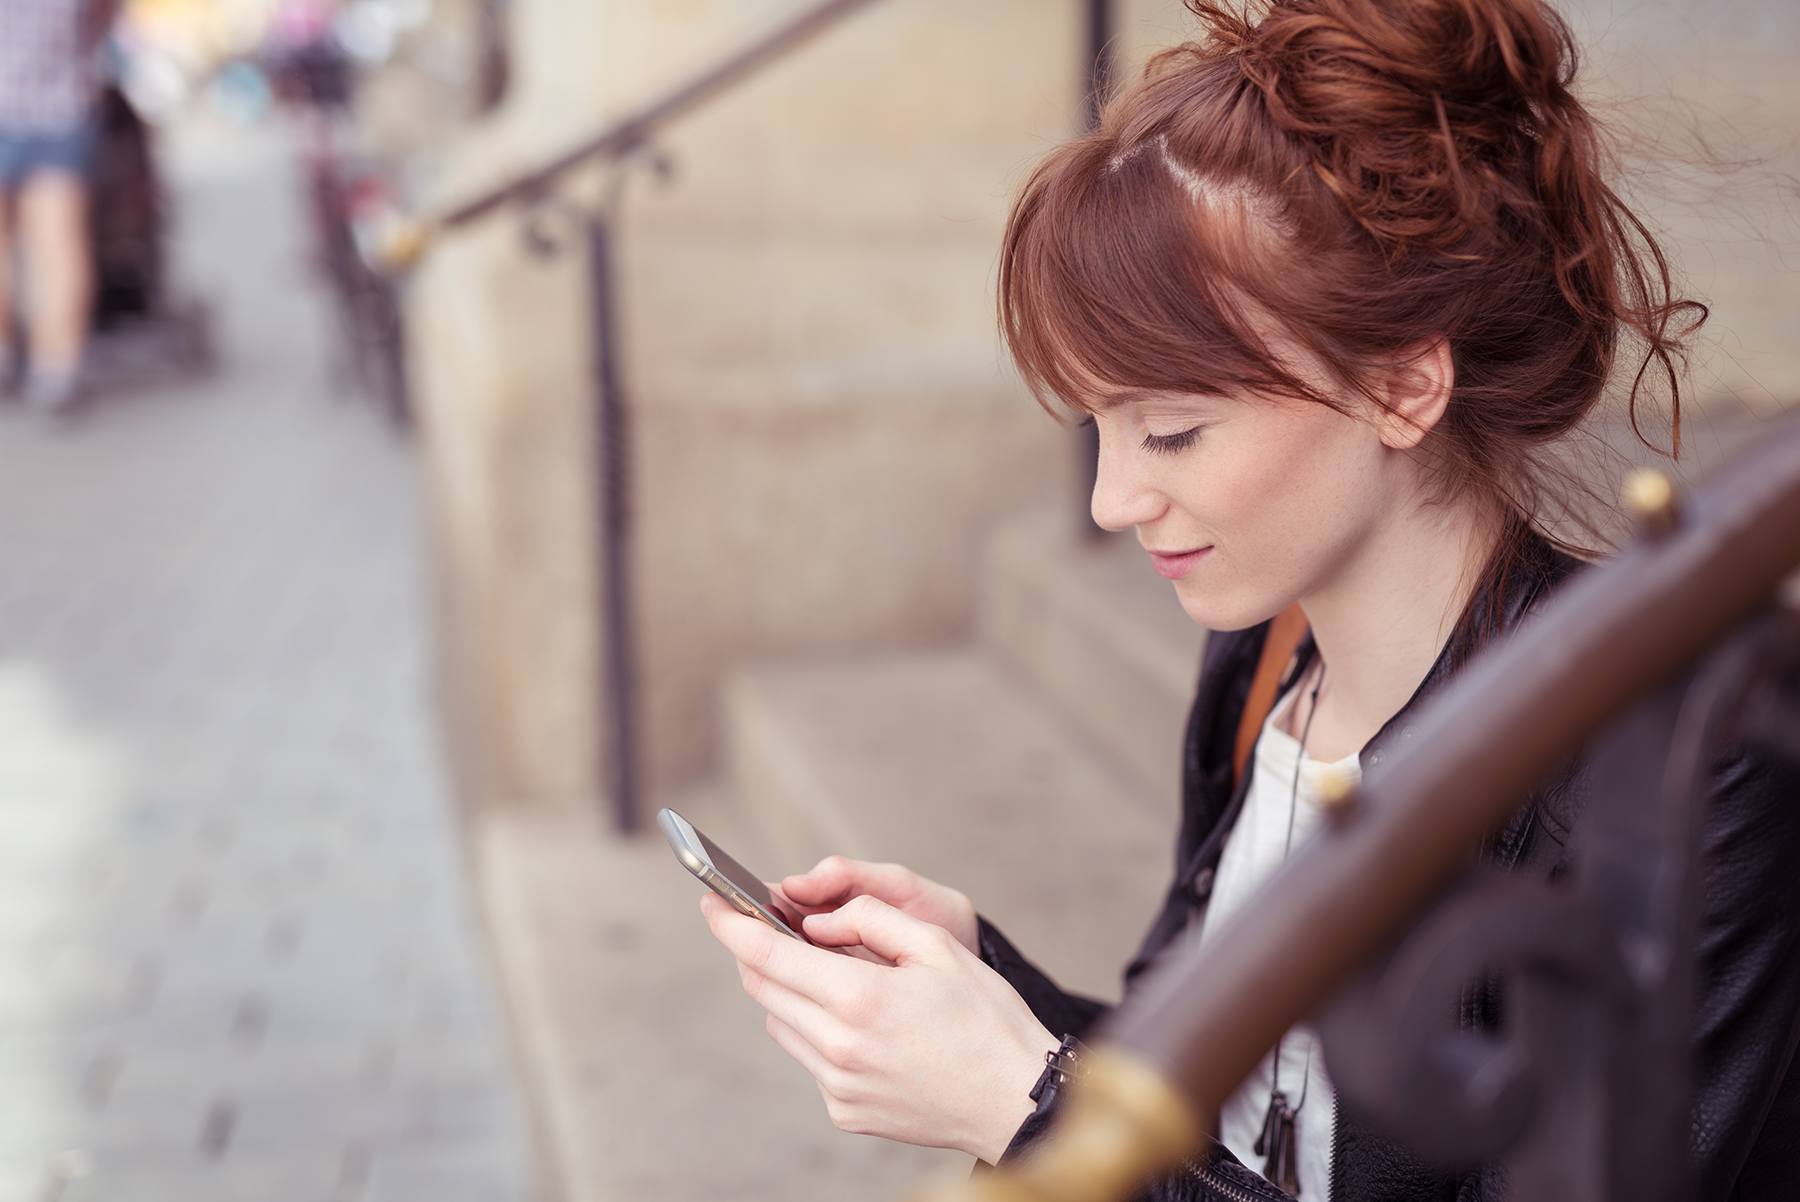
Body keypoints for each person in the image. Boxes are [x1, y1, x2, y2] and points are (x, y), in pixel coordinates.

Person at [696, 1, 1800, 1198]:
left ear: (1402, 386)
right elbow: (1217, 1097)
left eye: (1173, 430)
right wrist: (989, 987)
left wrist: (1027, 1108)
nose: (1114, 499)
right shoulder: (1268, 661)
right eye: (1100, 428)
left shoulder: (1688, 769)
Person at [0, 0, 117, 416]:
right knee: (58, 248)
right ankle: (56, 371)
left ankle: (9, 356)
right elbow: (102, 18)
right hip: (61, 108)